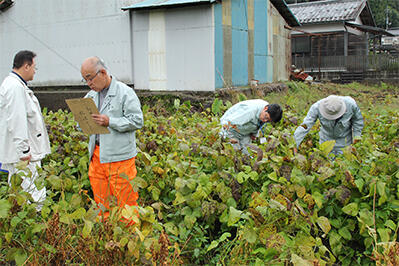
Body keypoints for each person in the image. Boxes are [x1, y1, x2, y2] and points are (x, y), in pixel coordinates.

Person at [81, 56, 143, 222]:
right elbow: (85, 123)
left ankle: (130, 243)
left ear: (102, 72)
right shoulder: (91, 95)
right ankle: (109, 239)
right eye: (85, 80)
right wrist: (82, 122)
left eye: (90, 78)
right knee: (102, 204)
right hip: (97, 156)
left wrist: (111, 121)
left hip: (120, 158)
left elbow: (137, 120)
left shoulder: (125, 92)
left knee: (127, 205)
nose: (89, 84)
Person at [0, 50, 51, 210]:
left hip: (22, 153)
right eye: (35, 67)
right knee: (34, 194)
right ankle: (37, 230)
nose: (35, 71)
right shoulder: (15, 87)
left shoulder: (14, 85)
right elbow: (17, 120)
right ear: (26, 66)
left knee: (20, 193)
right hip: (24, 156)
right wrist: (24, 151)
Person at [294, 95, 364, 155]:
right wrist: (295, 144)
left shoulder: (351, 105)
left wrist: (356, 136)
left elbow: (358, 121)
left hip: (345, 144)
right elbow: (305, 126)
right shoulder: (316, 107)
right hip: (325, 143)